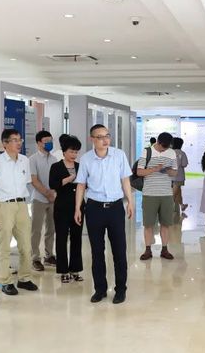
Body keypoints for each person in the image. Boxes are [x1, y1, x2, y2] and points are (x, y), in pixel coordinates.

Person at [75, 124, 135, 304]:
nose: (105, 140)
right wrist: (78, 208)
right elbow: (81, 185)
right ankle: (100, 289)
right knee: (97, 251)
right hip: (94, 208)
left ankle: (121, 290)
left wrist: (130, 202)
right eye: (100, 137)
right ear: (92, 139)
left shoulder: (119, 155)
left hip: (115, 208)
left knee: (119, 251)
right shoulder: (86, 159)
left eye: (107, 136)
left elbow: (125, 180)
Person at [0, 129, 39, 295]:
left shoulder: (24, 160)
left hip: (22, 205)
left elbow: (27, 182)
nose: (18, 143)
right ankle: (6, 281)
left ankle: (24, 278)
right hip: (4, 205)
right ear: (5, 143)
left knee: (26, 244)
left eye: (20, 140)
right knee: (4, 245)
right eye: (14, 140)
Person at [136, 132, 178, 260]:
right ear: (158, 142)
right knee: (148, 224)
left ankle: (164, 249)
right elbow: (139, 172)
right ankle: (147, 250)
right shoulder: (147, 152)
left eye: (166, 147)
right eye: (162, 147)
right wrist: (154, 169)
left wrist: (167, 170)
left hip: (166, 194)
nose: (164, 150)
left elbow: (175, 173)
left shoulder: (171, 153)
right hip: (149, 193)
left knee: (165, 224)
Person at [49, 134, 84, 283]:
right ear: (64, 151)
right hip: (62, 206)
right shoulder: (56, 167)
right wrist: (70, 179)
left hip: (78, 206)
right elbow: (53, 184)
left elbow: (85, 184)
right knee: (61, 238)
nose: (74, 154)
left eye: (76, 152)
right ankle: (63, 271)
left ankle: (75, 269)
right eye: (71, 151)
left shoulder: (80, 166)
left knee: (77, 238)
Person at [29, 130, 57, 271]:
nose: (49, 143)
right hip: (39, 199)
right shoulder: (32, 159)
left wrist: (54, 194)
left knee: (51, 229)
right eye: (46, 141)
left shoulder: (54, 159)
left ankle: (49, 255)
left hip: (53, 198)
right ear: (39, 143)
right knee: (36, 230)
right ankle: (35, 258)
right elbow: (34, 180)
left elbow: (57, 178)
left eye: (51, 140)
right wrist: (47, 193)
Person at [172, 137, 189, 214]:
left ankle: (182, 205)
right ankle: (168, 208)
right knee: (174, 193)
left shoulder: (169, 153)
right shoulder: (182, 153)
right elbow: (184, 164)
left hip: (170, 176)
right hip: (179, 176)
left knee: (178, 192)